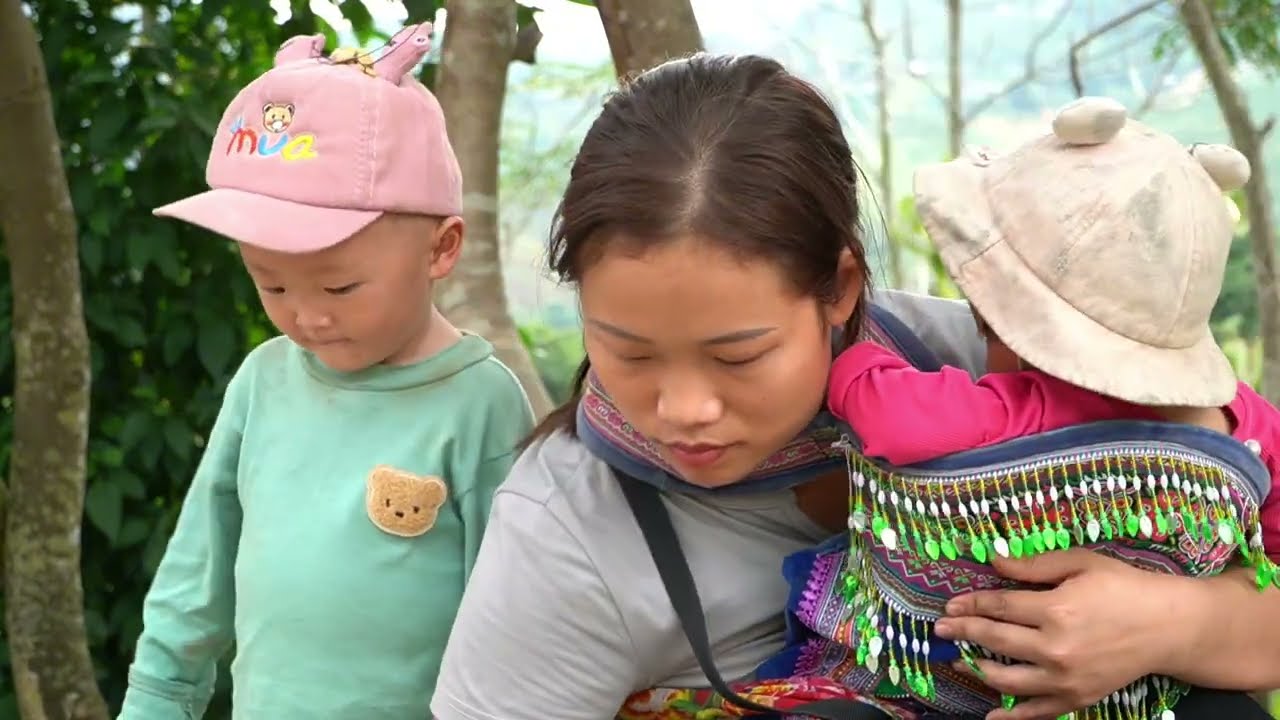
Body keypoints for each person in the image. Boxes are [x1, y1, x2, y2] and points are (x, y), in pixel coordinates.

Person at [429, 54, 1280, 720]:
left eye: (738, 356)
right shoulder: (566, 534)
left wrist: (1175, 624)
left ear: (839, 289)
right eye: (630, 352)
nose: (683, 410)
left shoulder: (981, 360)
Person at [769, 96, 1280, 719]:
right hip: (1147, 698)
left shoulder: (1020, 410)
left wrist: (854, 363)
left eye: (988, 327)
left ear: (1026, 337)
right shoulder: (1244, 424)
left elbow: (891, 418)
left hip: (961, 687)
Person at [118, 22, 534, 720]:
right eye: (272, 285)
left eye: (340, 288)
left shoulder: (481, 405)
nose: (306, 317)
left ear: (441, 248)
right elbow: (196, 577)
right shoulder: (263, 381)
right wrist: (155, 702)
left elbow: (516, 632)